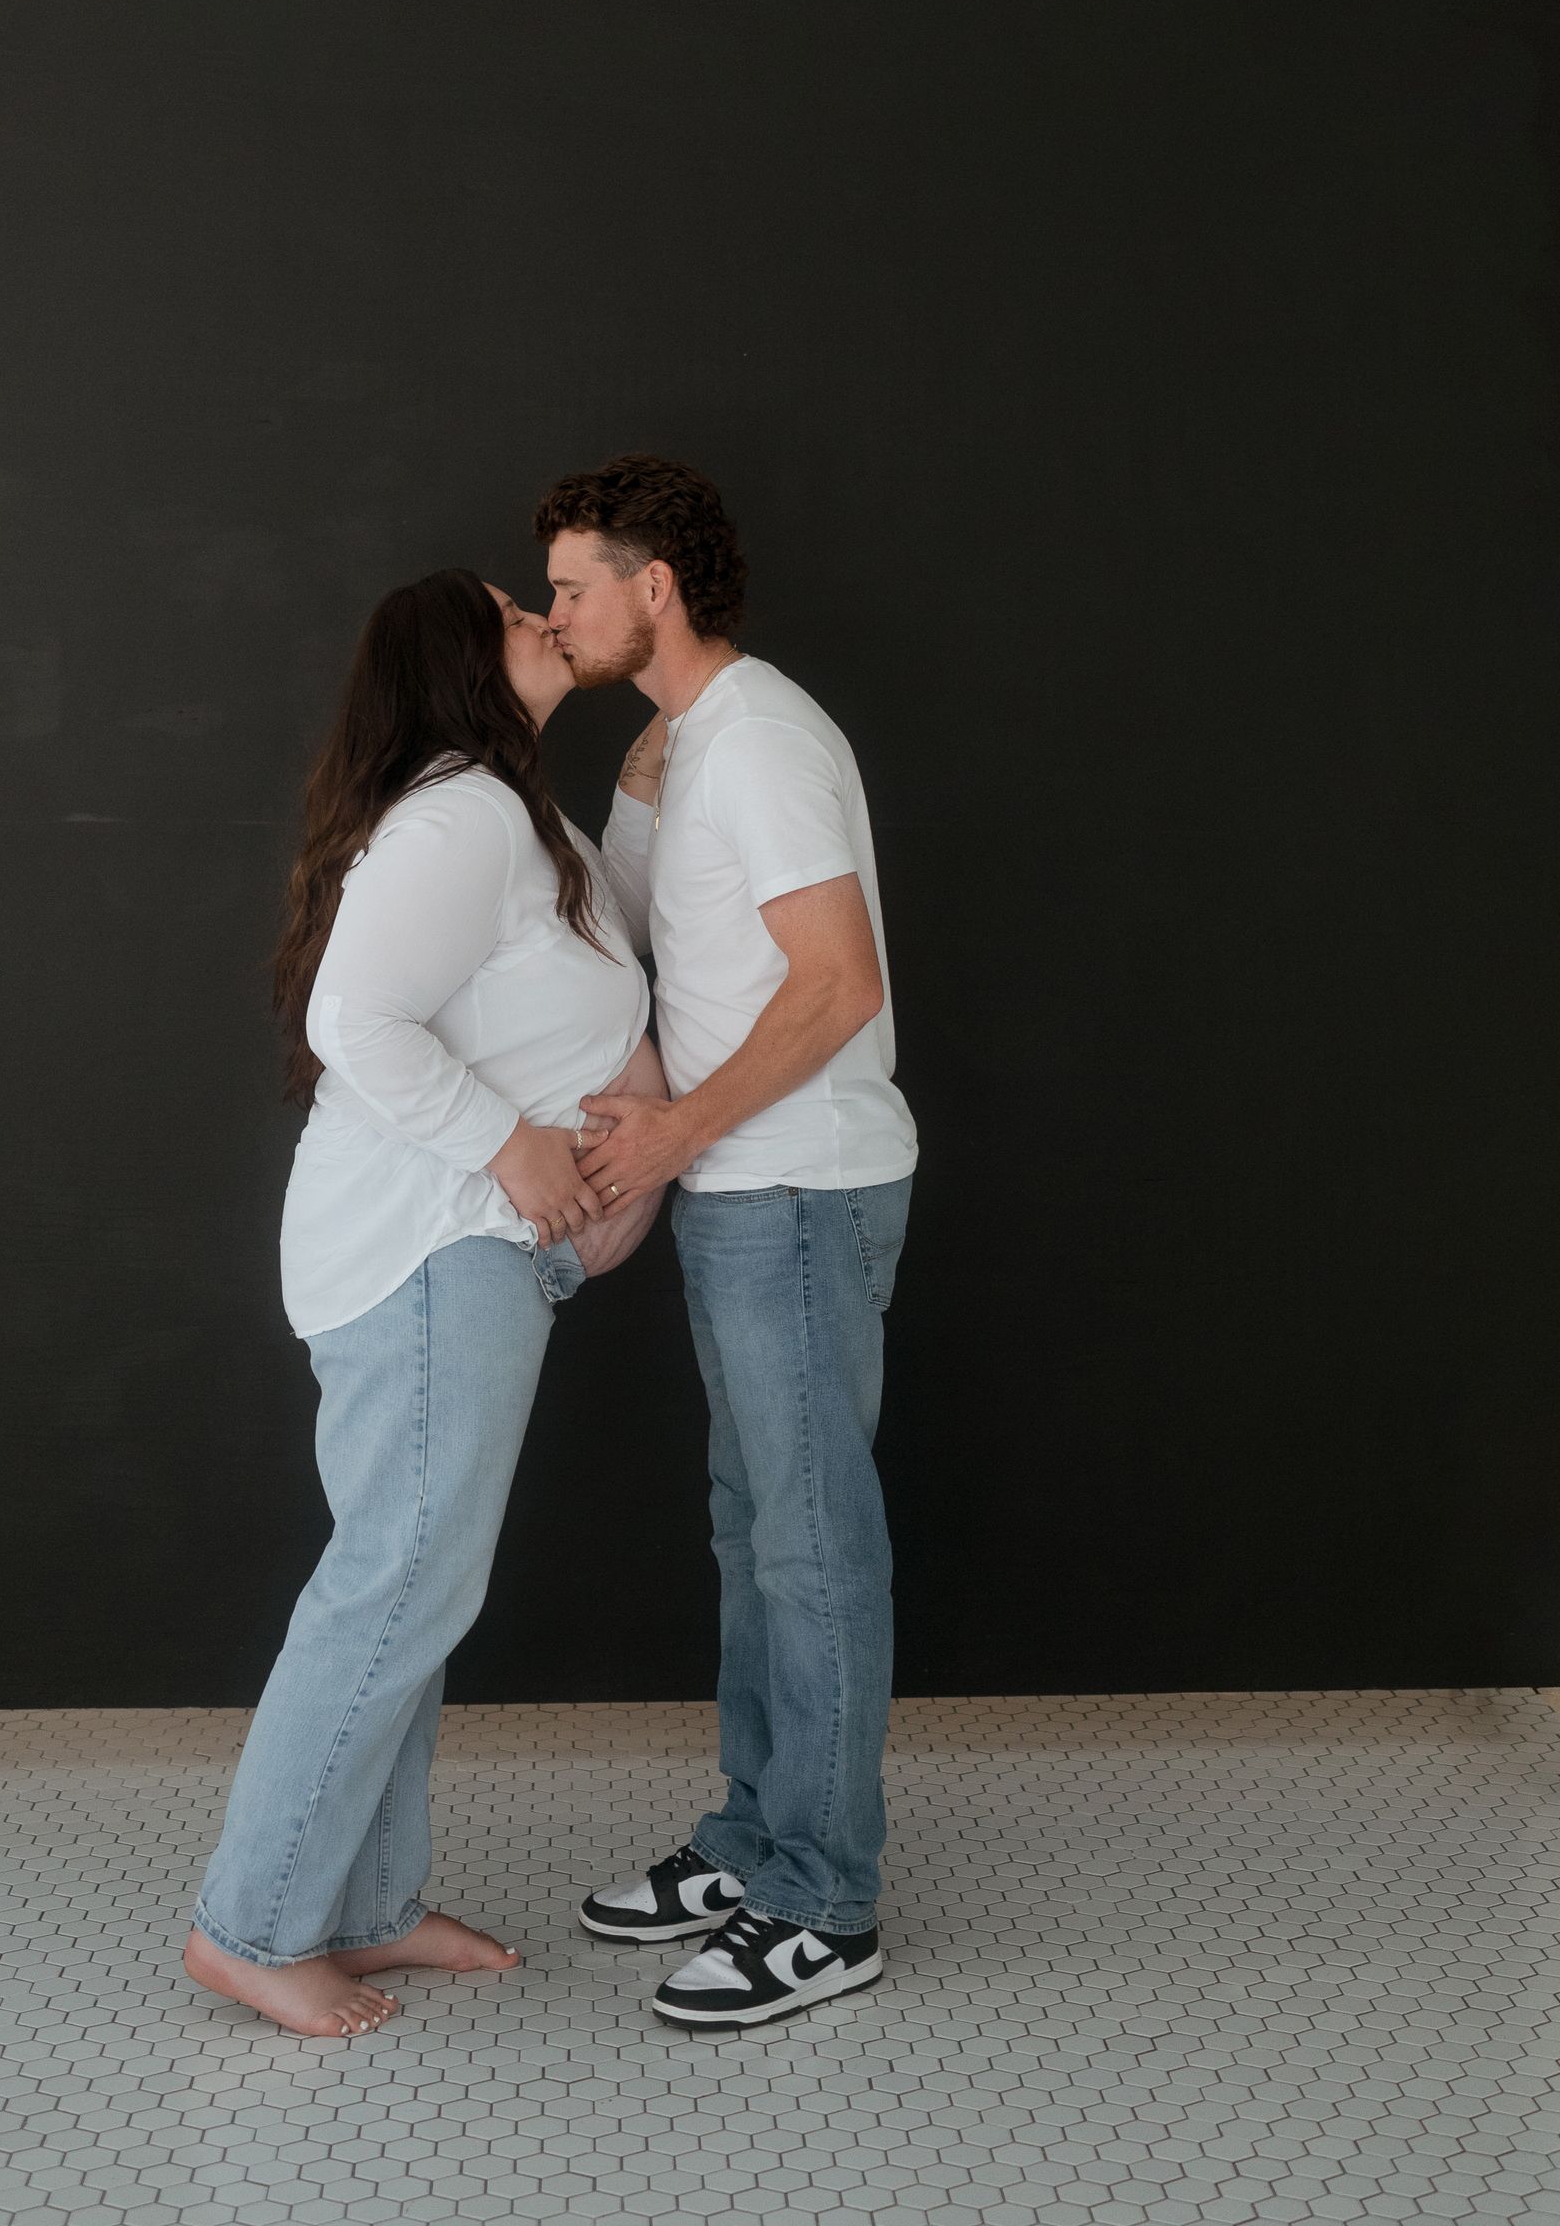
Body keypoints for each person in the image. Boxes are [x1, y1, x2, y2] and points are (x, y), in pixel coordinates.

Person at [183, 569, 668, 2038]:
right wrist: (511, 1147)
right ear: (454, 661)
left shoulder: (518, 818)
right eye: (509, 608)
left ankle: (364, 1908)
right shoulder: (460, 810)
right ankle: (253, 1927)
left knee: (410, 1590)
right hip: (425, 1254)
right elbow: (352, 1019)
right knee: (397, 1588)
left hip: (459, 1259)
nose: (538, 613)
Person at [536, 456, 917, 2029]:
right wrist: (632, 792)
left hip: (798, 1190)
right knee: (757, 1523)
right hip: (742, 1196)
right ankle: (759, 1840)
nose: (556, 613)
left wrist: (681, 1133)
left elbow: (839, 984)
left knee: (811, 1542)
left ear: (653, 588)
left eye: (570, 585)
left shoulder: (756, 740)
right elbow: (664, 949)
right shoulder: (694, 747)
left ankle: (828, 1903)